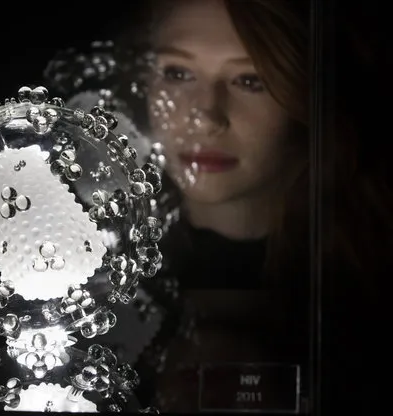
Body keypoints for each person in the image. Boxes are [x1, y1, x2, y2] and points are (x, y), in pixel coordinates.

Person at [103, 0, 391, 413]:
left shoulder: (372, 274)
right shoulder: (89, 261)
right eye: (177, 73)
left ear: (306, 93)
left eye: (250, 80)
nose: (205, 117)